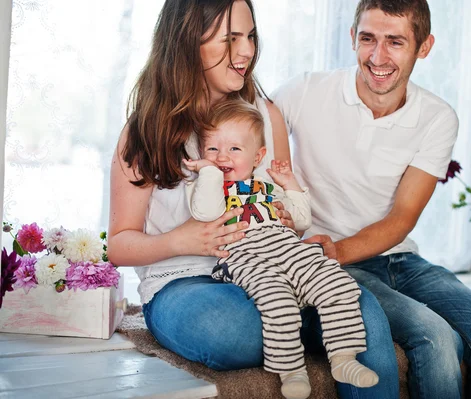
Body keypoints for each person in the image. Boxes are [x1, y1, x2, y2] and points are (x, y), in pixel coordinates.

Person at [107, 1, 399, 398]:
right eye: (231, 39)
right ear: (187, 41)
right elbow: (120, 244)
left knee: (364, 308)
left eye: (250, 37)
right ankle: (317, 328)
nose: (246, 51)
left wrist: (289, 218)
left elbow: (287, 207)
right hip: (184, 282)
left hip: (271, 266)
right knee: (229, 330)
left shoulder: (266, 116)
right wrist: (181, 240)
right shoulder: (145, 131)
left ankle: (324, 327)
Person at [272, 0, 471, 398]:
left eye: (395, 42)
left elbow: (403, 217)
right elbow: (245, 128)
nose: (378, 56)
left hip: (398, 258)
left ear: (424, 47)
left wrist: (338, 249)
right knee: (437, 338)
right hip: (330, 265)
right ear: (352, 37)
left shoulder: (438, 118)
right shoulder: (304, 91)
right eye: (368, 38)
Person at [182, 99, 379, 399]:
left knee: (337, 282)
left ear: (258, 156)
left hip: (288, 249)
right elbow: (206, 213)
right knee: (276, 299)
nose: (222, 156)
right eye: (212, 149)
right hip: (245, 256)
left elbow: (301, 220)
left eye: (234, 149)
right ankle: (292, 370)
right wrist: (208, 172)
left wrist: (290, 185)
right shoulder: (208, 187)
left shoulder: (267, 188)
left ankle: (343, 357)